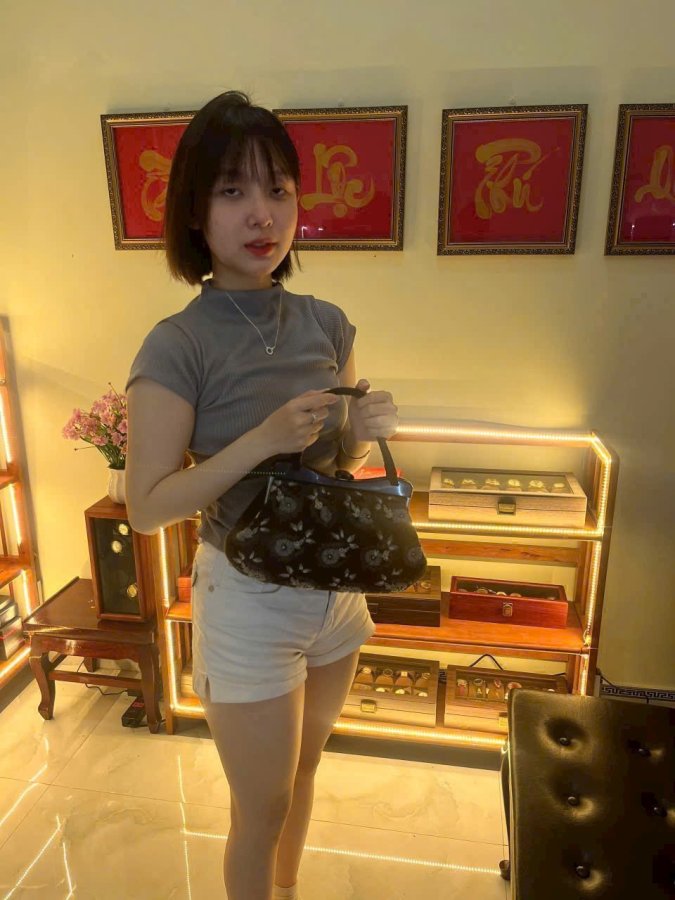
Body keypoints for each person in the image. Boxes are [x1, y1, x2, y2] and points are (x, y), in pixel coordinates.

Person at [124, 90, 399, 900]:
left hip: (333, 585)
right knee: (260, 805)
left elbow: (339, 461)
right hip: (246, 595)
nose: (262, 213)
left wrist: (363, 428)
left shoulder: (327, 322)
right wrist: (261, 439)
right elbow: (147, 506)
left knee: (304, 773)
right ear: (195, 212)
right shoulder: (177, 344)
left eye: (278, 189)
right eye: (233, 190)